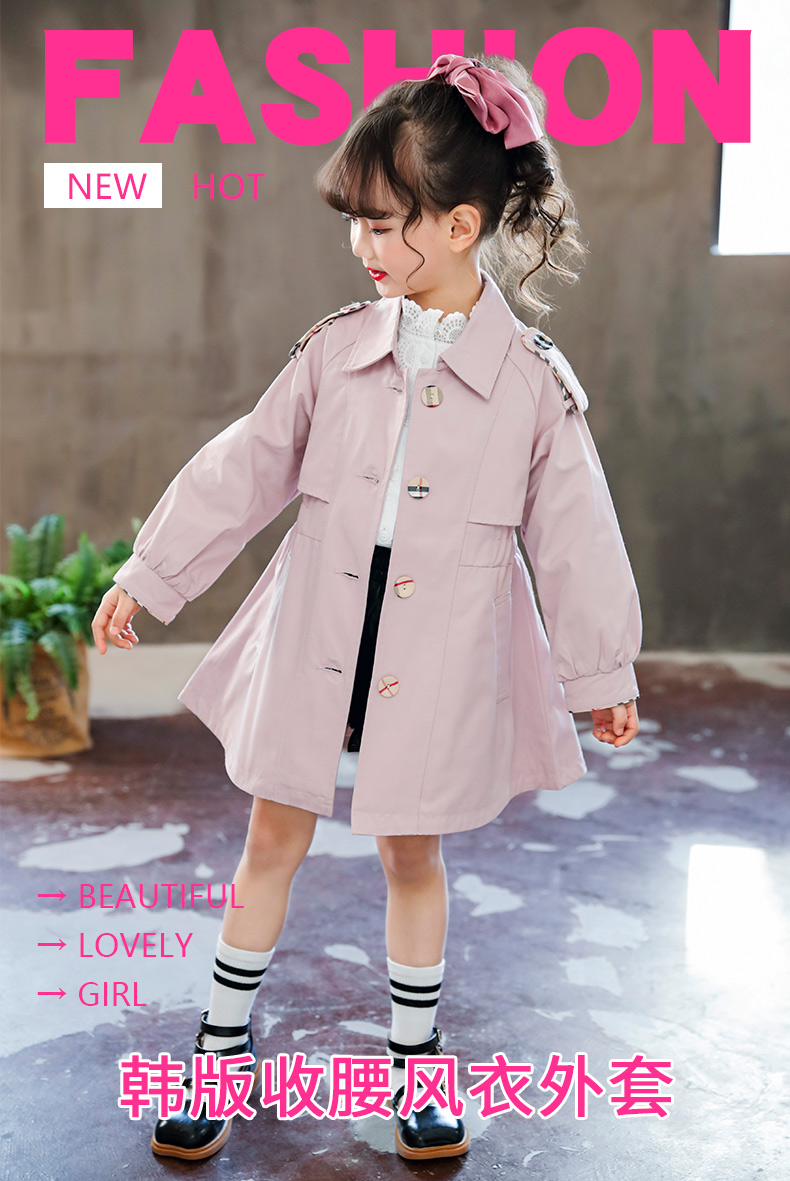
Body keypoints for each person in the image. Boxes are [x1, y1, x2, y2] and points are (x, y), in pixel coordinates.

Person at [92, 53, 641, 1163]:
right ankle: (221, 1042)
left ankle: (415, 1061)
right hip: (317, 628)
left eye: (385, 225)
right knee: (271, 833)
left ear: (461, 225)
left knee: (410, 851)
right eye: (356, 222)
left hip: (442, 646)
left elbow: (578, 532)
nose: (363, 245)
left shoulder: (533, 383)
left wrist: (601, 672)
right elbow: (245, 464)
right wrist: (151, 573)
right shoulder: (337, 349)